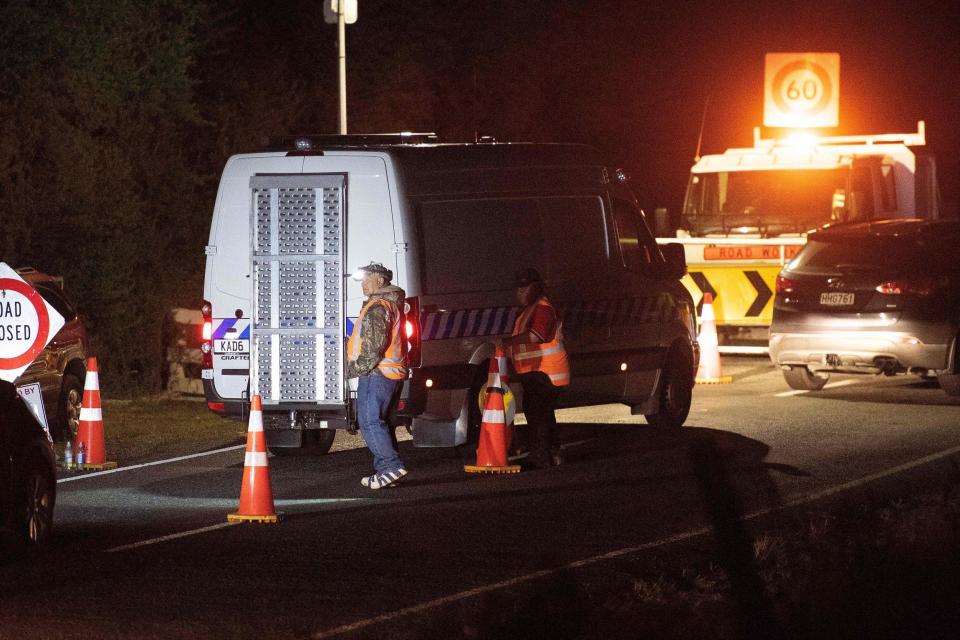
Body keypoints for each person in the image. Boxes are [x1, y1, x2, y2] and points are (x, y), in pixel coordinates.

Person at [346, 262, 408, 489]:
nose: (362, 283)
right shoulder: (390, 305)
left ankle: (390, 466)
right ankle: (386, 472)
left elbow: (373, 350)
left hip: (377, 373)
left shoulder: (378, 307)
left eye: (366, 278)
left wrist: (349, 371)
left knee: (370, 422)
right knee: (381, 423)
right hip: (389, 374)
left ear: (380, 281)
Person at [501, 267, 570, 469]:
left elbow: (535, 337)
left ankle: (542, 457)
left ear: (536, 287)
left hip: (546, 372)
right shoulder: (528, 310)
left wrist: (505, 343)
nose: (519, 293)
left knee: (537, 414)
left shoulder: (542, 307)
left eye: (525, 289)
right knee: (543, 414)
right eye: (518, 289)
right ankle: (553, 453)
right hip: (536, 373)